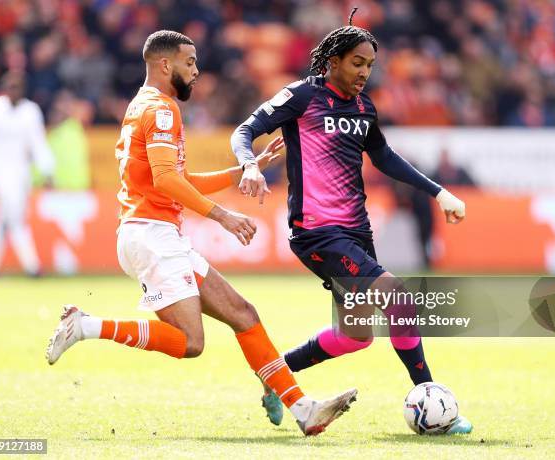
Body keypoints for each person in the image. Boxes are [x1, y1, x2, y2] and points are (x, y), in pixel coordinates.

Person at [45, 30, 357, 436]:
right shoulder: (160, 110)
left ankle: (303, 410)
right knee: (190, 342)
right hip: (152, 235)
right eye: (189, 62)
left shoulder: (145, 106)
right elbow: (165, 181)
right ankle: (85, 325)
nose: (196, 71)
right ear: (164, 65)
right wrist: (223, 216)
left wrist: (244, 168)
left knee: (243, 315)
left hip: (156, 234)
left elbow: (179, 177)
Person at [231, 11, 472, 434]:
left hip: (356, 233)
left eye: (370, 65)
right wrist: (249, 165)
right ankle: (433, 401)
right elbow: (244, 132)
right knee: (399, 299)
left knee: (355, 336)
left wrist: (438, 191)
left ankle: (275, 374)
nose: (364, 72)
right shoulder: (301, 97)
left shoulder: (364, 108)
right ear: (333, 61)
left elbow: (384, 157)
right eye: (357, 63)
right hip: (317, 232)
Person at [0, 71, 54, 277]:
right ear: (3, 88)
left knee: (4, 218)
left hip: (21, 172)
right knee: (15, 218)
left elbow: (38, 143)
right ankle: (32, 267)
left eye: (17, 87)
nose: (14, 91)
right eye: (10, 86)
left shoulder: (30, 111)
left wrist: (47, 170)